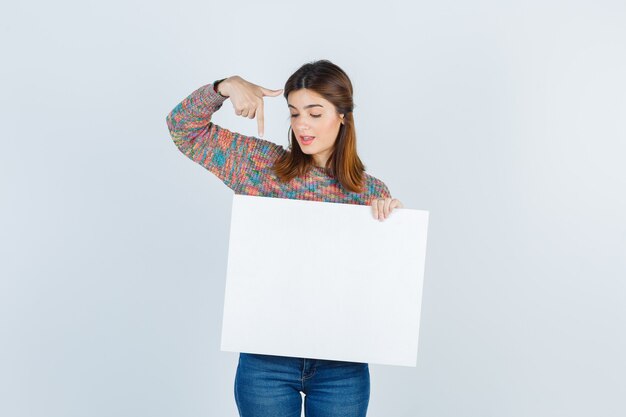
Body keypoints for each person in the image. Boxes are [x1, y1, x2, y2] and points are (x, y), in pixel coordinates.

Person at [165, 59, 404, 417]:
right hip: (267, 362)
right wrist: (223, 87)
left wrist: (393, 224)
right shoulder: (261, 167)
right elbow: (183, 129)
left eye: (314, 113)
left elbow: (379, 287)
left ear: (343, 115)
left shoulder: (370, 192)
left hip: (342, 367)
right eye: (293, 114)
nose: (302, 125)